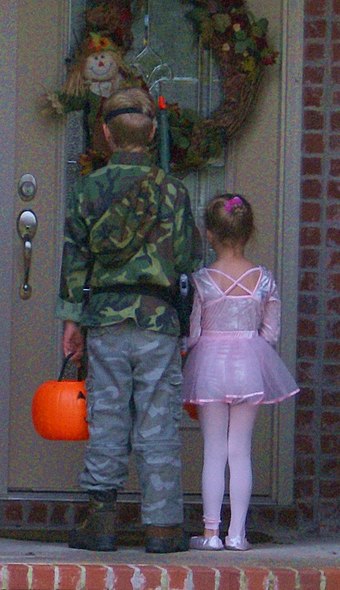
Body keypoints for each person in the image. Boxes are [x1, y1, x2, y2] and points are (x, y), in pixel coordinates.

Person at [56, 87, 202, 553]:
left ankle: (101, 522)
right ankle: (163, 526)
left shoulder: (88, 190)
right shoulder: (173, 192)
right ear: (153, 130)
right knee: (157, 423)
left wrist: (72, 320)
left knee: (108, 417)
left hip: (105, 320)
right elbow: (186, 259)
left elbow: (75, 260)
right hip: (158, 321)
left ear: (104, 134)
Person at [182, 193, 299, 551]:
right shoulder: (263, 280)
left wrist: (189, 351)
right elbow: (271, 333)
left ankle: (211, 533)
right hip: (250, 364)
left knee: (214, 450)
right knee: (240, 450)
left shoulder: (202, 280)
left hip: (211, 366)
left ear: (208, 234)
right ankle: (237, 533)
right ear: (249, 232)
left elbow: (194, 333)